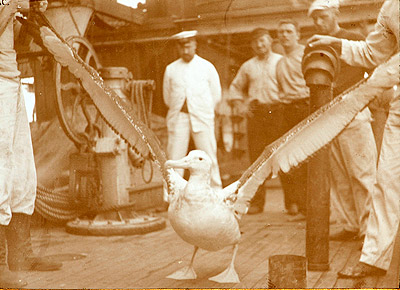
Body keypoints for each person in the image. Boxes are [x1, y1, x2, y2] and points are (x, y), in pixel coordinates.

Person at [308, 0, 399, 278]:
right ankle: (374, 257)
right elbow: (373, 52)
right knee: (386, 181)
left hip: (381, 89)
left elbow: (389, 68)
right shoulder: (390, 8)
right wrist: (333, 43)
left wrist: (372, 86)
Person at [0, 0, 62, 287]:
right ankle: (0, 264)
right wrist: (12, 7)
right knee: (0, 170)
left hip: (10, 78)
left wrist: (32, 13)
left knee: (23, 171)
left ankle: (21, 254)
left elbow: (15, 38)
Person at [308, 0, 377, 241]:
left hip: (354, 113)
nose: (318, 22)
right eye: (315, 18)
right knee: (338, 176)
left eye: (323, 17)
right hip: (329, 116)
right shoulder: (314, 43)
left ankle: (369, 230)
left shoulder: (353, 38)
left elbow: (369, 66)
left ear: (334, 13)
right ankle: (350, 224)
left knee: (362, 173)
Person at [229, 28, 282, 214]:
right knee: (257, 161)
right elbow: (235, 89)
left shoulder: (281, 62)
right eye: (256, 42)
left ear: (270, 41)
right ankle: (257, 203)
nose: (260, 45)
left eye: (263, 41)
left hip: (278, 112)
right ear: (252, 45)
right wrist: (241, 106)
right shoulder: (247, 66)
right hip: (257, 114)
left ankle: (294, 203)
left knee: (284, 156)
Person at [163, 30, 223, 189]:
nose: (185, 50)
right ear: (178, 48)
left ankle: (216, 193)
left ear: (195, 45)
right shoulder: (171, 69)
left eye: (188, 46)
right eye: (182, 47)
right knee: (175, 158)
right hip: (179, 118)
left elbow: (216, 95)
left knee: (208, 157)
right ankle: (172, 196)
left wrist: (202, 109)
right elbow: (167, 97)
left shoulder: (206, 67)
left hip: (202, 117)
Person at [276, 19, 309, 220]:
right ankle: (298, 206)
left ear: (297, 34)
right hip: (286, 111)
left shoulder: (306, 54)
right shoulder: (279, 62)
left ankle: (311, 208)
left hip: (305, 107)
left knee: (306, 159)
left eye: (289, 31)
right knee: (288, 159)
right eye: (281, 32)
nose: (284, 35)